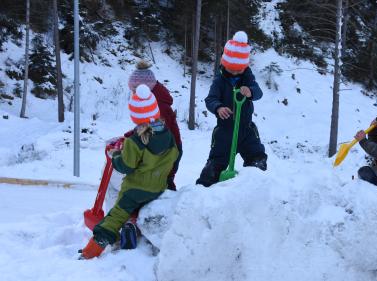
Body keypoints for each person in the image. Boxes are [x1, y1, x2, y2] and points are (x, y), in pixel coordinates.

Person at [80, 85, 179, 259]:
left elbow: (125, 166)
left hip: (134, 189)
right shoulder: (167, 135)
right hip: (157, 188)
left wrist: (116, 154)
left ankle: (92, 249)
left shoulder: (135, 140)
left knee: (115, 216)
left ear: (136, 116)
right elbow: (175, 153)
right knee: (136, 209)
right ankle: (131, 228)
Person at [196, 31, 267, 187]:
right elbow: (210, 99)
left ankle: (253, 187)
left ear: (244, 66)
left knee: (258, 158)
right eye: (231, 69)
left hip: (247, 129)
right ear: (225, 63)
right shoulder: (219, 81)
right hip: (225, 130)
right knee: (215, 164)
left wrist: (250, 91)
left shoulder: (248, 77)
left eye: (238, 69)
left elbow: (258, 92)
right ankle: (202, 191)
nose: (235, 72)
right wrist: (218, 107)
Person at [128, 60, 182, 190]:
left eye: (135, 90)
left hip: (169, 151)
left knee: (163, 182)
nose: (134, 94)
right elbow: (146, 126)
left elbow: (155, 129)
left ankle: (172, 205)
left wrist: (133, 139)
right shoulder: (152, 100)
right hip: (165, 149)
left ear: (144, 89)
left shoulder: (158, 106)